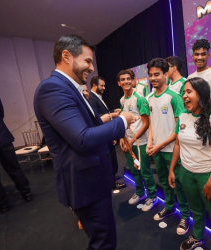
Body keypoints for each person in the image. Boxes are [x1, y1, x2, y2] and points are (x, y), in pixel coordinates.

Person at [34, 34, 135, 250]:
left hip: (94, 178)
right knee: (103, 243)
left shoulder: (71, 89)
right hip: (85, 184)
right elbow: (82, 138)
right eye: (87, 61)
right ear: (67, 56)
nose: (91, 68)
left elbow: (90, 126)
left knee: (104, 239)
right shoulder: (53, 88)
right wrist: (122, 122)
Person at [168, 78, 211, 250]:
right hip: (186, 173)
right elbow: (178, 144)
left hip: (208, 176)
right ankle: (197, 237)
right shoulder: (182, 116)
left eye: (189, 92)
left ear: (201, 94)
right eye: (183, 92)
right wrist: (172, 169)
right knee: (196, 210)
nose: (184, 96)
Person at [146, 58, 190, 235]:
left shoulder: (174, 97)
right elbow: (151, 124)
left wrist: (160, 145)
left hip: (173, 150)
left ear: (166, 74)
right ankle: (170, 207)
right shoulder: (149, 98)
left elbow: (180, 128)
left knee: (178, 184)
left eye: (157, 74)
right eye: (150, 75)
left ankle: (186, 216)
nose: (153, 78)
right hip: (157, 149)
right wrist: (150, 143)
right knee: (164, 182)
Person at [117, 70, 158, 211]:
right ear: (119, 83)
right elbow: (124, 121)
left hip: (141, 142)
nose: (126, 81)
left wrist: (132, 139)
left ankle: (152, 196)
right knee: (134, 171)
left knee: (145, 171)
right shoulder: (122, 100)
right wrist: (123, 138)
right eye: (123, 79)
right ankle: (140, 192)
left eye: (129, 79)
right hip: (129, 141)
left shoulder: (140, 99)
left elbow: (146, 123)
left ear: (134, 81)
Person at [89, 75, 125, 190]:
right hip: (103, 134)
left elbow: (104, 112)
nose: (104, 88)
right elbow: (95, 117)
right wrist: (112, 115)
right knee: (109, 160)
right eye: (102, 85)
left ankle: (112, 179)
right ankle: (111, 183)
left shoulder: (97, 97)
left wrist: (113, 111)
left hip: (107, 134)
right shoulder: (91, 98)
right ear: (94, 86)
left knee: (111, 158)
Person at [0, 97, 33, 213]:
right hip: (3, 138)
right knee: (15, 169)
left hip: (3, 139)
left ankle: (3, 204)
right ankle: (27, 194)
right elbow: (1, 114)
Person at [188, 39, 211, 110]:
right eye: (197, 54)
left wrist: (210, 120)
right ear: (193, 56)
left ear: (208, 56)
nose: (200, 57)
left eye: (203, 54)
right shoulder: (190, 77)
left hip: (210, 118)